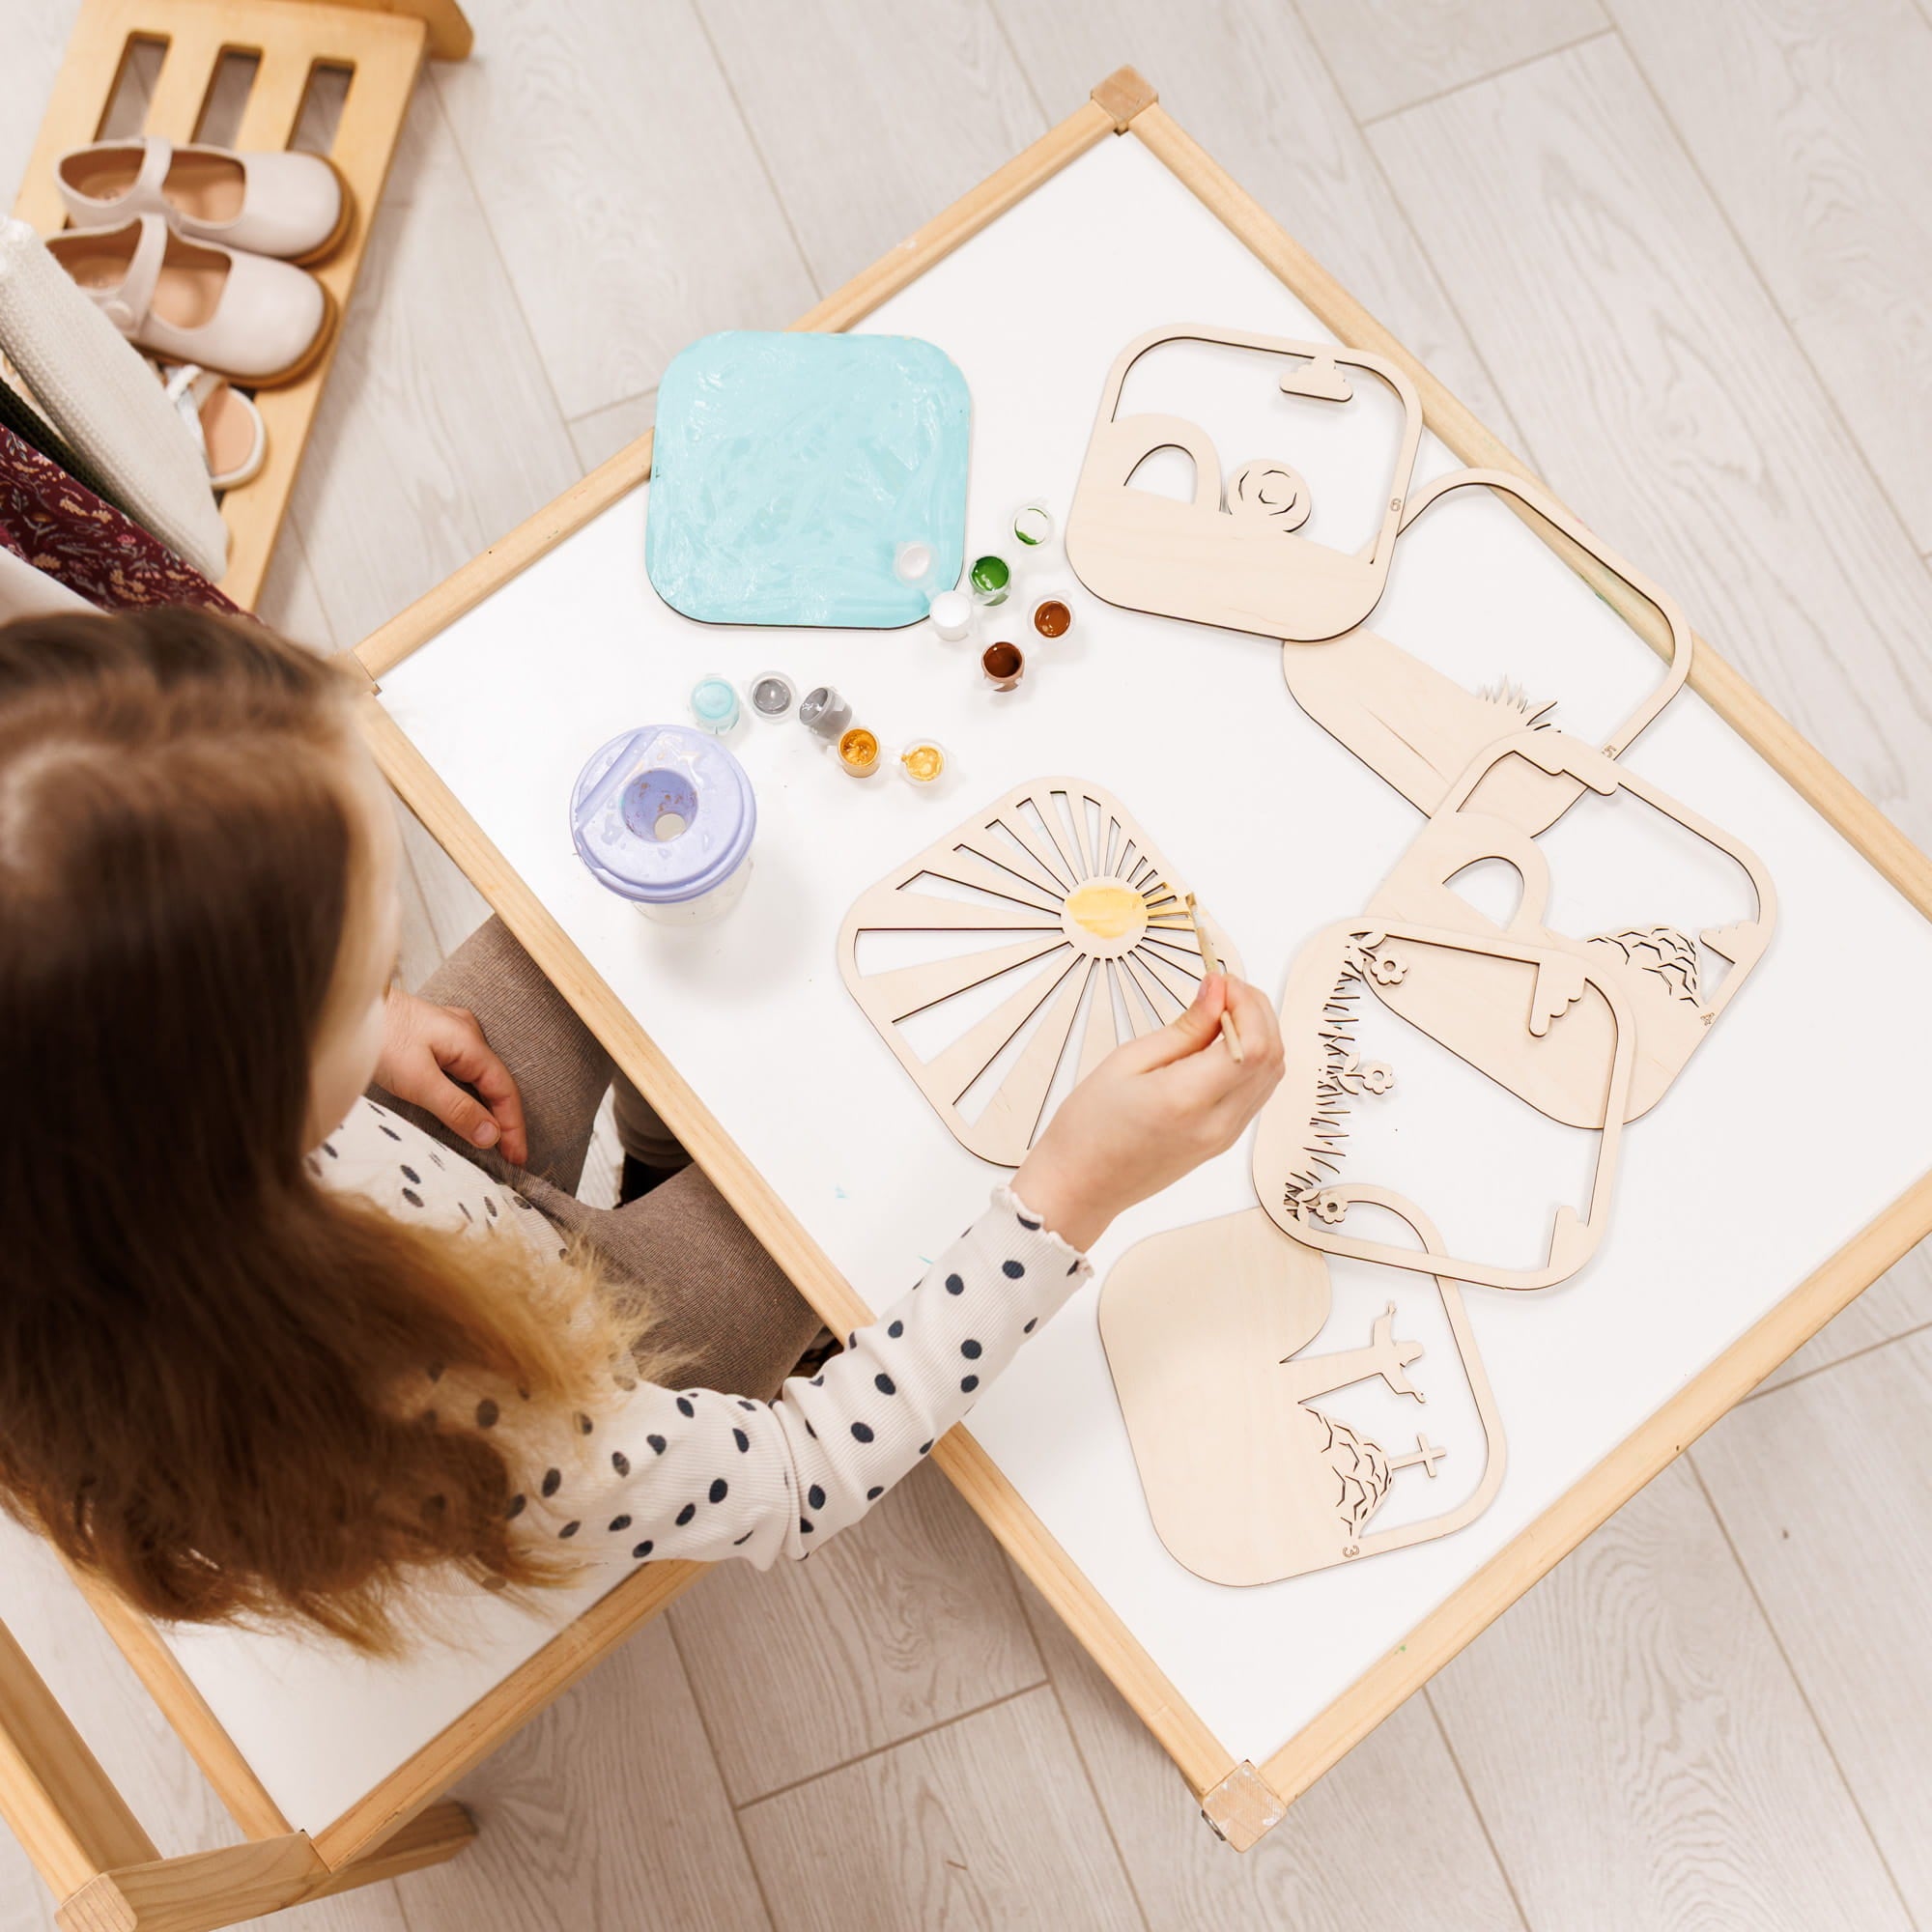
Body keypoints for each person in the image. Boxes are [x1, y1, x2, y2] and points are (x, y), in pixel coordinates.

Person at [0, 608, 1283, 1652]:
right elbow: (799, 1475)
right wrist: (1070, 1193)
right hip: (538, 1343)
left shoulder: (74, 1135)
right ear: (246, 1084)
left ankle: (656, 1152)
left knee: (584, 944)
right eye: (366, 957)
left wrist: (371, 1031)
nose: (399, 958)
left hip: (392, 1186)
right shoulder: (459, 1414)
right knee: (824, 1180)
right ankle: (686, 1179)